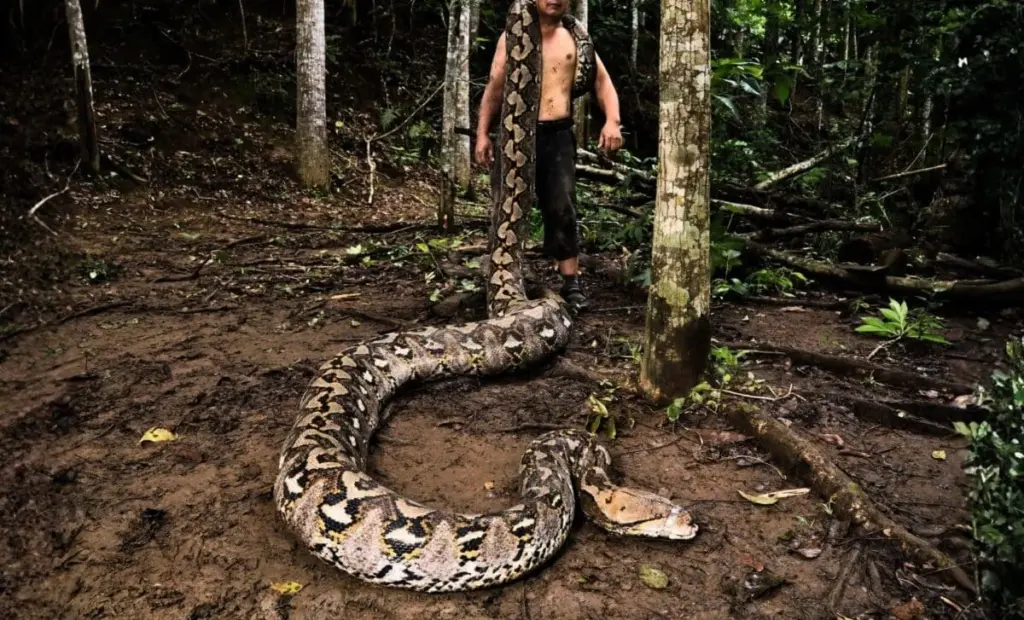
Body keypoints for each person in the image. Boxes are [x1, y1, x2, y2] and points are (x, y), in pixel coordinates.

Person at [474, 0, 622, 312]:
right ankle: (503, 275)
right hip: (514, 133)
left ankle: (571, 282)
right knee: (506, 206)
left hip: (557, 134)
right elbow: (495, 87)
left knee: (562, 206)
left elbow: (601, 81)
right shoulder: (510, 37)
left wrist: (612, 120)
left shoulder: (575, 39)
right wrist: (482, 133)